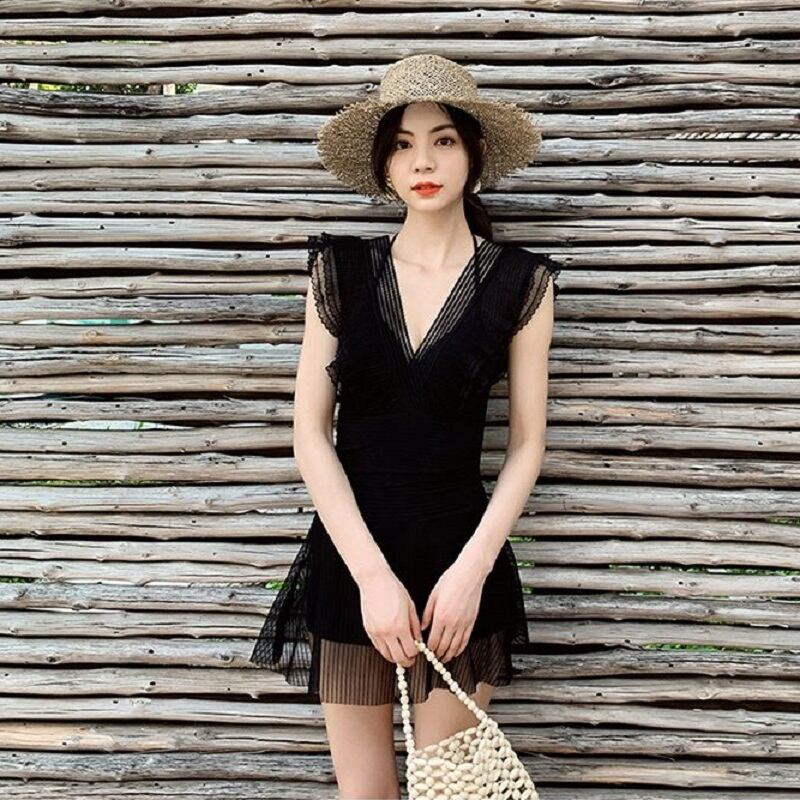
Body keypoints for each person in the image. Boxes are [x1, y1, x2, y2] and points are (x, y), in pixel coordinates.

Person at [250, 53, 560, 799]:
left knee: (450, 790)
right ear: (383, 165)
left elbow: (526, 445)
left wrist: (471, 572)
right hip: (352, 561)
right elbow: (309, 434)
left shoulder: (521, 282)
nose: (423, 161)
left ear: (473, 154)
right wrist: (371, 577)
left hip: (460, 566)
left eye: (443, 140)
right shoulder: (340, 273)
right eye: (402, 144)